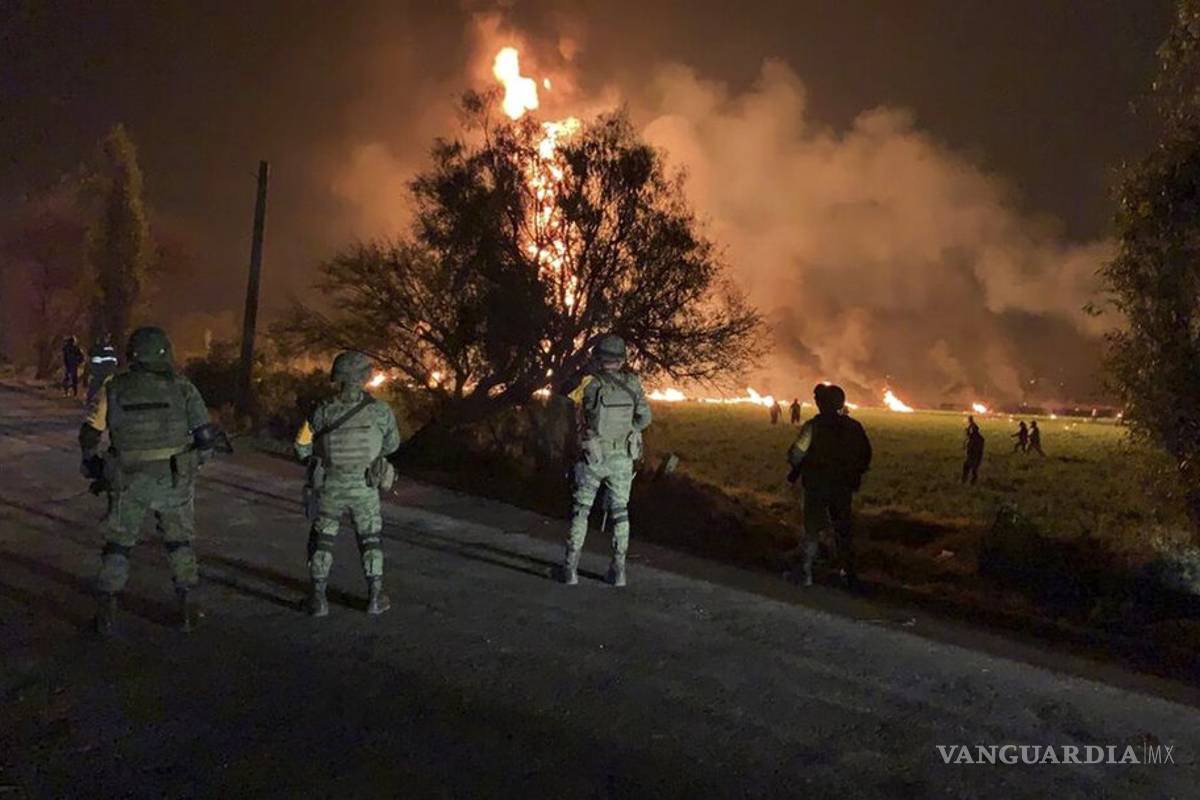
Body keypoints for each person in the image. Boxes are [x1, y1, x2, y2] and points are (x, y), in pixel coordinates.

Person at [79, 326, 215, 635]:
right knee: (179, 542)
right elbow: (205, 437)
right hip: (173, 479)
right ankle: (188, 611)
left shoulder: (113, 387)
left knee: (118, 544)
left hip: (126, 478)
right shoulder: (183, 387)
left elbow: (89, 433)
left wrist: (93, 465)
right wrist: (195, 463)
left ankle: (107, 615)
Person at [294, 351, 401, 617]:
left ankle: (318, 599)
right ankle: (375, 597)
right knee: (370, 540)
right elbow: (392, 444)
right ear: (364, 378)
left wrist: (314, 457)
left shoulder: (323, 410)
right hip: (365, 487)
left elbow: (301, 445)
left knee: (323, 540)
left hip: (331, 486)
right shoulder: (380, 411)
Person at [561, 335, 652, 587]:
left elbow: (563, 395)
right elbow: (645, 419)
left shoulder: (588, 383)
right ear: (622, 359)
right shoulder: (632, 383)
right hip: (622, 457)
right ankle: (618, 572)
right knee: (620, 513)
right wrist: (626, 432)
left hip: (593, 455)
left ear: (599, 357)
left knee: (581, 510)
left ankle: (570, 570)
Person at [785, 383, 872, 589]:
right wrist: (854, 476)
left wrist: (797, 468)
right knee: (843, 529)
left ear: (822, 404)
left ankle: (805, 574)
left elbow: (796, 454)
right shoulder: (854, 427)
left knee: (812, 529)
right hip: (842, 487)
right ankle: (849, 575)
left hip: (816, 486)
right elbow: (865, 455)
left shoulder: (813, 427)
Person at [85, 333, 119, 404]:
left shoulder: (97, 348)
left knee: (94, 385)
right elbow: (115, 361)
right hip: (110, 372)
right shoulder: (111, 349)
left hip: (99, 372)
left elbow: (93, 359)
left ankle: (90, 400)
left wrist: (92, 372)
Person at [962, 417, 985, 484]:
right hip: (974, 456)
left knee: (971, 469)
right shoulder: (978, 437)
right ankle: (968, 481)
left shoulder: (976, 438)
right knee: (970, 468)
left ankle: (969, 481)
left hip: (974, 456)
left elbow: (976, 448)